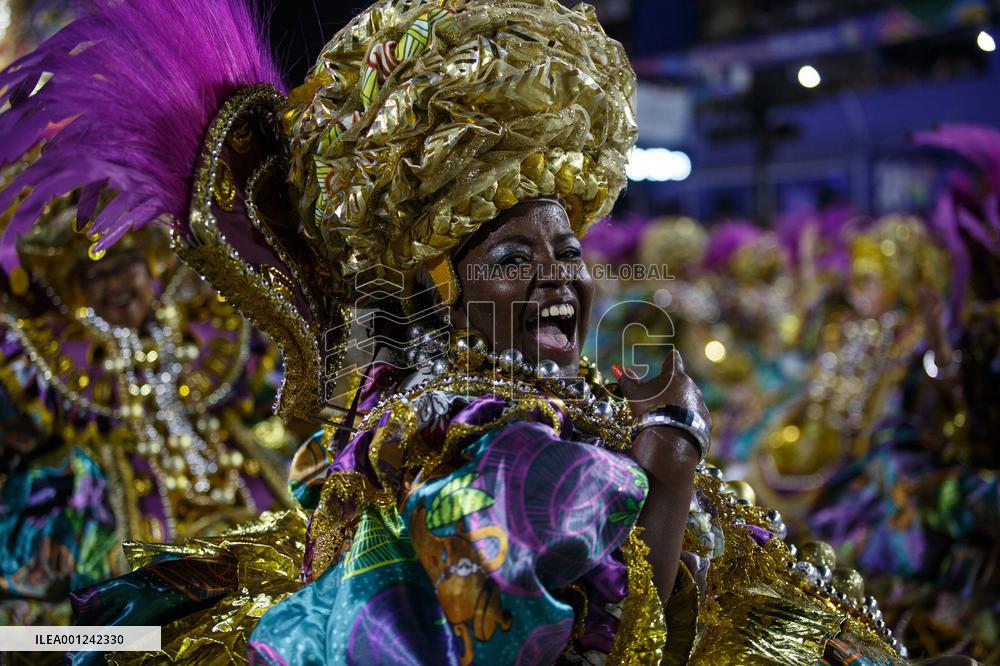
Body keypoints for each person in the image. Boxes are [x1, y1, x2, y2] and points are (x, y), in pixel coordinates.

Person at [0, 0, 911, 663]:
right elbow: (574, 638)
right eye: (514, 257)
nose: (560, 273)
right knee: (76, 630)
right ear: (436, 298)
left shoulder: (545, 396)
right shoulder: (465, 429)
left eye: (567, 245)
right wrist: (667, 461)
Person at [0, 200, 296, 627]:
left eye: (124, 266)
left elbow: (273, 388)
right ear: (79, 289)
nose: (114, 284)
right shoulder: (52, 367)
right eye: (97, 275)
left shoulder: (207, 326)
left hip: (253, 513)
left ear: (151, 267)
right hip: (132, 539)